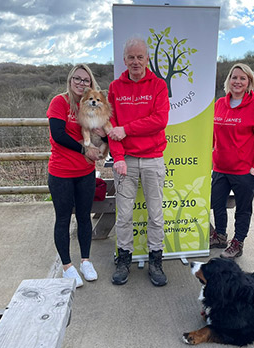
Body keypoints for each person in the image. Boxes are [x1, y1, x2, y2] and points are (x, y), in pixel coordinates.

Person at [107, 37, 169, 287]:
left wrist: (127, 129)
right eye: (131, 57)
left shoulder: (158, 85)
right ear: (124, 60)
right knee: (124, 216)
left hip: (153, 159)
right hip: (126, 162)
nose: (135, 62)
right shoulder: (114, 87)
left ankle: (156, 260)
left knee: (156, 215)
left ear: (146, 59)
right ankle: (124, 259)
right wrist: (118, 157)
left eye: (140, 57)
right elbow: (111, 127)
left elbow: (159, 120)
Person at [47, 64, 103, 288]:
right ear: (70, 80)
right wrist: (85, 149)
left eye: (86, 80)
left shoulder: (92, 104)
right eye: (77, 79)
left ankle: (86, 261)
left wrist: (102, 136)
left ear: (91, 84)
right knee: (62, 218)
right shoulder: (59, 102)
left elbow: (101, 133)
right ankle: (67, 266)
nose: (81, 83)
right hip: (61, 172)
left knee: (84, 216)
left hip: (85, 172)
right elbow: (58, 134)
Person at [210, 63, 254, 258]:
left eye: (243, 78)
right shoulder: (219, 104)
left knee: (243, 209)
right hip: (220, 166)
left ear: (249, 82)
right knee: (217, 204)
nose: (238, 82)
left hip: (244, 170)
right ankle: (220, 235)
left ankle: (238, 242)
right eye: (235, 77)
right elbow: (213, 135)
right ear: (229, 80)